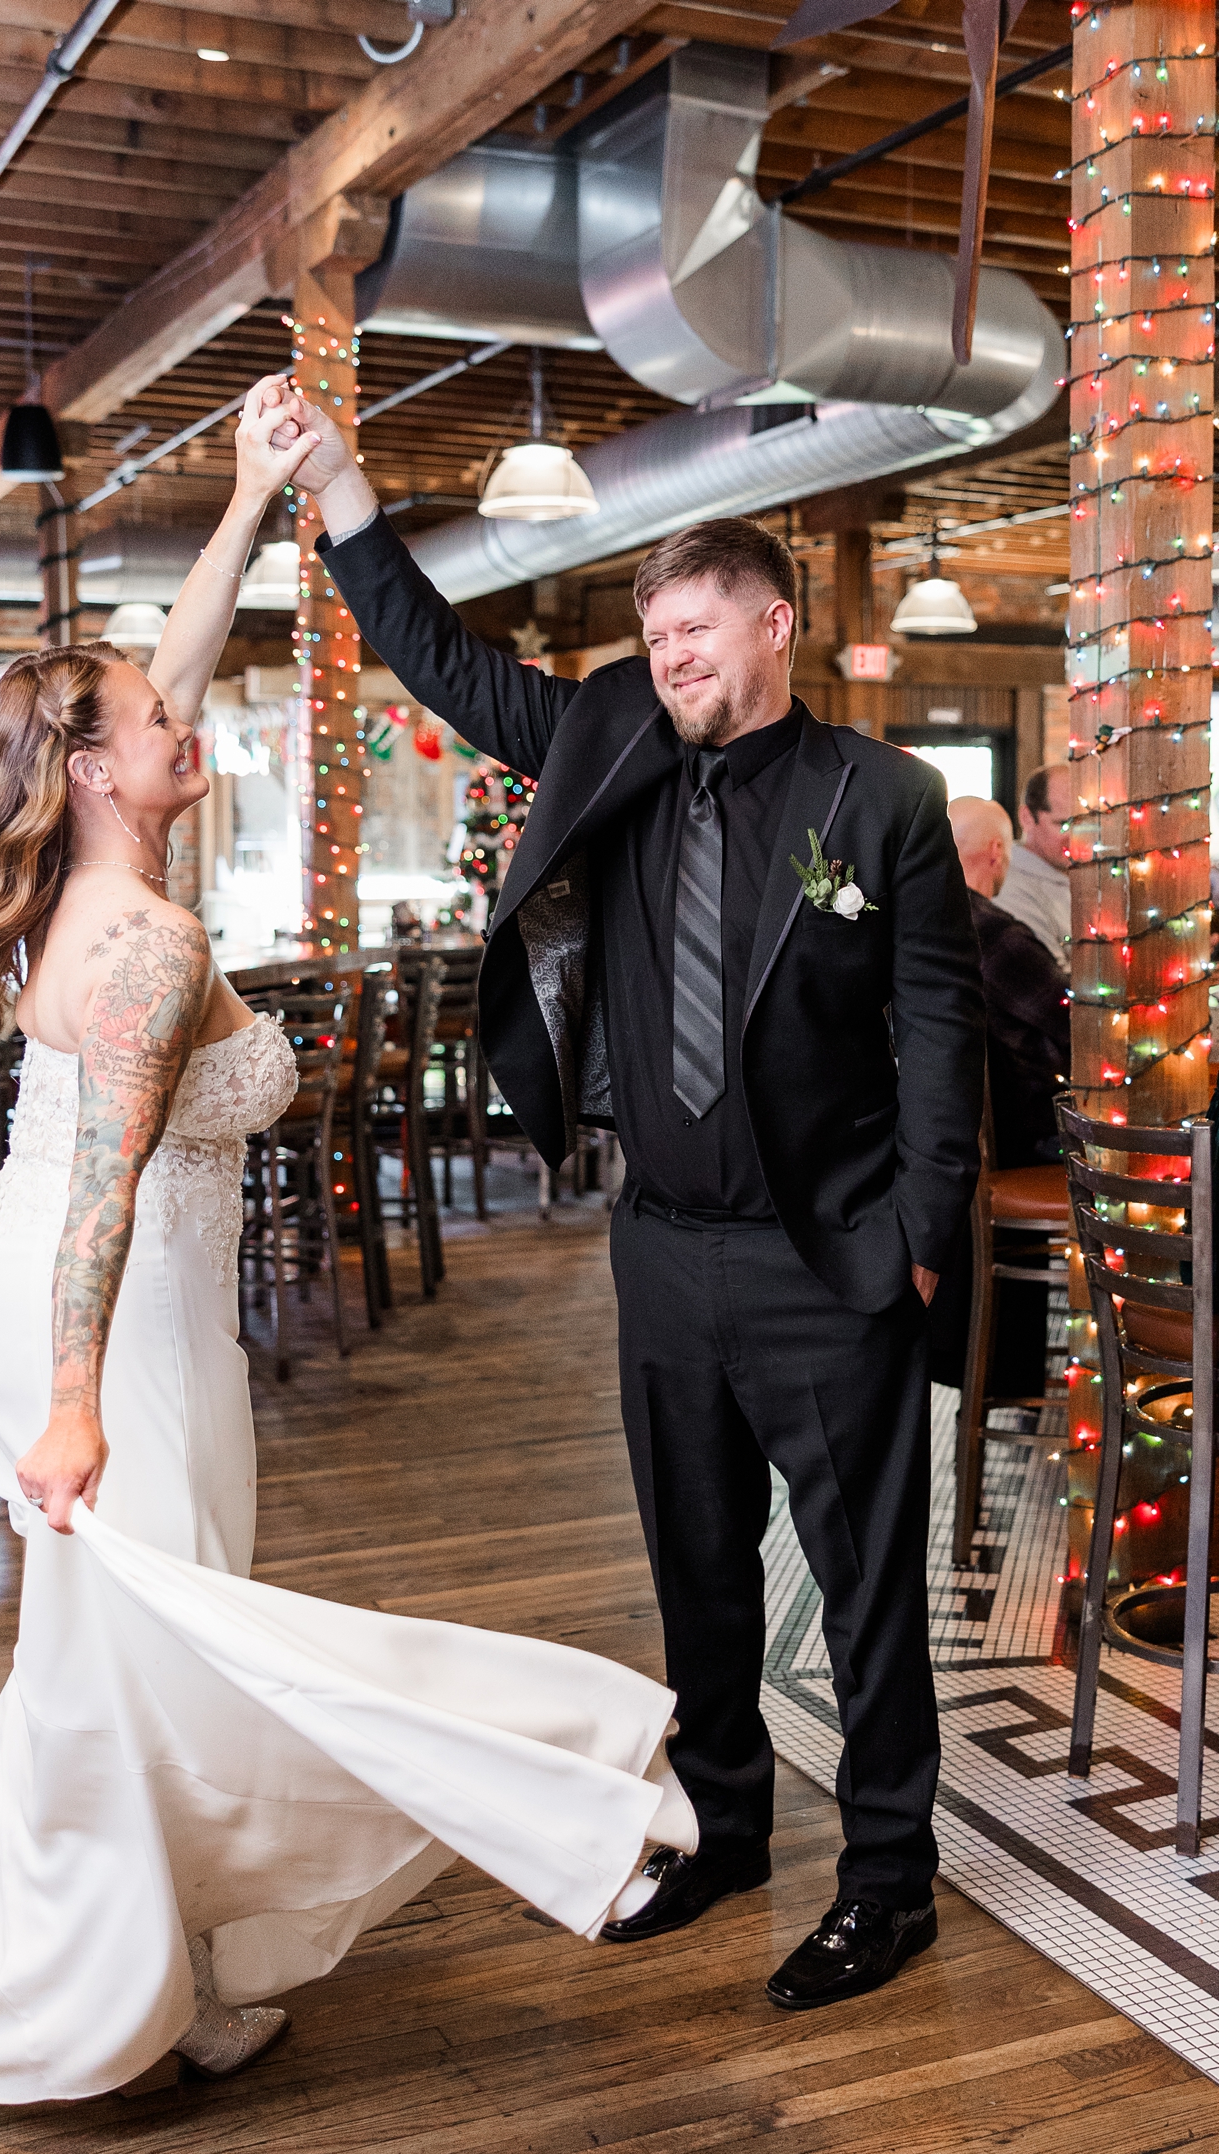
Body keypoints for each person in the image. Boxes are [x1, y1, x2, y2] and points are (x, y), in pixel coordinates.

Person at [0, 377, 695, 2107]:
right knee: (131, 1653)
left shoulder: (103, 871)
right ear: (99, 770)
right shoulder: (147, 947)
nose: (192, 718)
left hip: (139, 1307)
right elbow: (102, 1193)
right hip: (103, 1320)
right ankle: (58, 2007)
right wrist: (80, 1403)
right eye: (154, 717)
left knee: (163, 1640)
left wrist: (255, 496)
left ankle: (180, 1972)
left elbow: (159, 668)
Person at [283, 385, 984, 2012]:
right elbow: (446, 668)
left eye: (694, 627)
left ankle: (890, 1883)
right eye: (654, 630)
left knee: (867, 1586)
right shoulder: (608, 734)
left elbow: (941, 1037)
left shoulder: (880, 802)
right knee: (696, 1567)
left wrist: (922, 1243)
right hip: (661, 1255)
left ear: (773, 625)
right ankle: (728, 1828)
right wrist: (342, 495)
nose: (669, 654)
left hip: (833, 1256)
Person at [948, 795, 1069, 1168]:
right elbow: (1073, 1021)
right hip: (1033, 1136)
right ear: (997, 850)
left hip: (964, 1136)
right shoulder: (993, 933)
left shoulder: (936, 922)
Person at [995, 762, 1072, 971]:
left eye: (1088, 822)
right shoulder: (1009, 887)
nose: (1077, 837)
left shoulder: (1086, 875)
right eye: (1063, 824)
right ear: (1027, 818)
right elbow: (1054, 981)